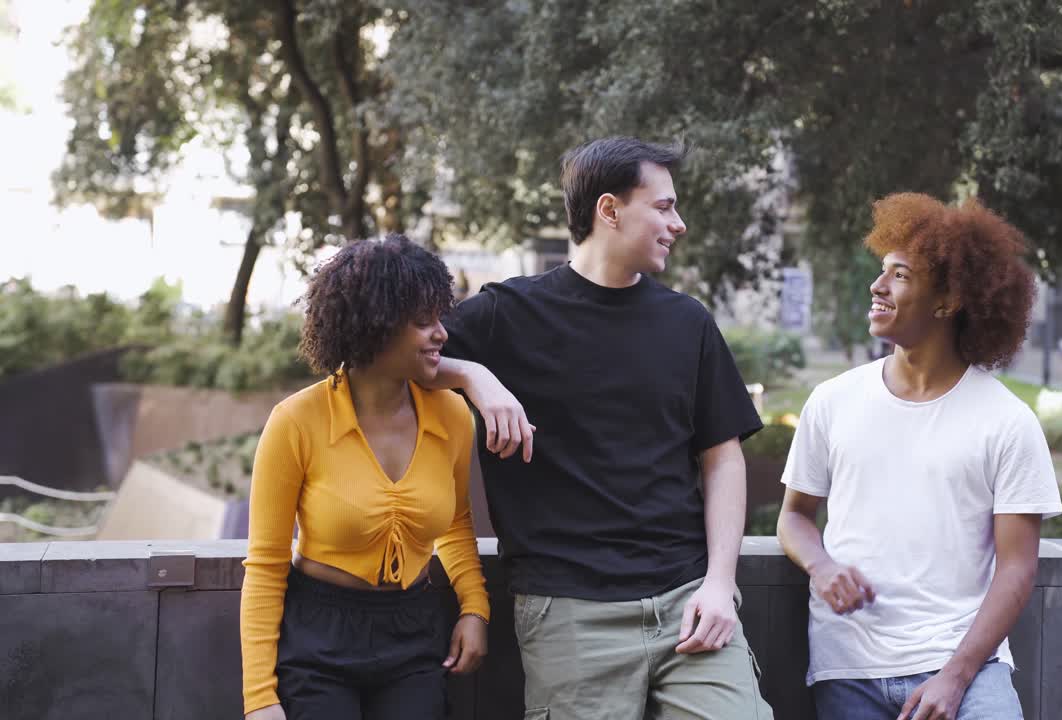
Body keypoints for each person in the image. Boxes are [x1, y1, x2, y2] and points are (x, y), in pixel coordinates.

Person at [427, 137, 775, 719]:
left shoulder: (688, 323)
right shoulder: (503, 315)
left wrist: (720, 583)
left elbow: (723, 458)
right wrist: (471, 376)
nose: (678, 224)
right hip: (568, 611)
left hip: (689, 600)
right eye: (663, 207)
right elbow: (386, 352)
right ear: (608, 210)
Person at [776, 193, 1062, 720]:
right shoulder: (832, 401)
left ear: (948, 300)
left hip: (966, 666)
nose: (877, 286)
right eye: (881, 271)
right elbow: (794, 516)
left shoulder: (1007, 421)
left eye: (900, 275)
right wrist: (820, 566)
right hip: (849, 667)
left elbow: (1017, 568)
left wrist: (954, 678)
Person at [240, 235, 489, 720]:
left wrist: (475, 608)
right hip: (318, 639)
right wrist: (259, 698)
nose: (440, 333)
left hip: (415, 634)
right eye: (422, 321)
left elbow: (456, 523)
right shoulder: (295, 422)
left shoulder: (453, 417)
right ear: (374, 326)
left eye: (440, 317)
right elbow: (267, 566)